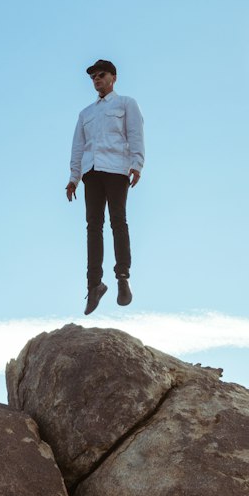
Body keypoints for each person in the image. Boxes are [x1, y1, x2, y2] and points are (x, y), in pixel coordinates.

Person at [66, 59, 144, 315]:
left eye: (101, 75)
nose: (97, 80)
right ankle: (94, 285)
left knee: (118, 221)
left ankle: (123, 277)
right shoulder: (86, 113)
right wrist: (73, 177)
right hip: (91, 172)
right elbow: (78, 146)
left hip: (117, 169)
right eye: (93, 77)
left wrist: (137, 163)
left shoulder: (126, 104)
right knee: (93, 227)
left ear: (113, 77)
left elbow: (134, 134)